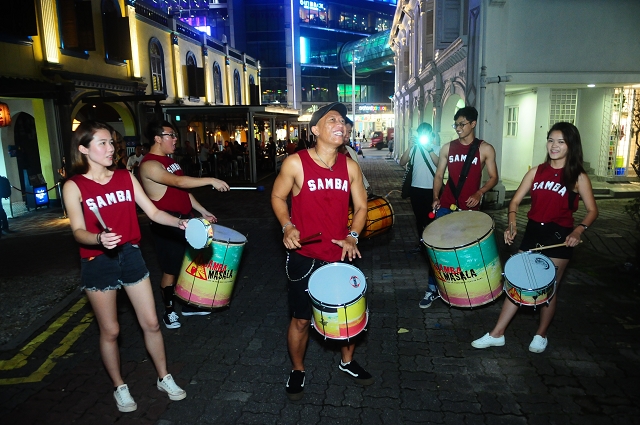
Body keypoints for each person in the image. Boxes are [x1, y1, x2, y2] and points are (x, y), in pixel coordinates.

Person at [62, 121, 188, 412]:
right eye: (103, 143)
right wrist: (98, 238)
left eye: (111, 142)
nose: (111, 148)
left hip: (130, 254)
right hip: (97, 261)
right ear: (84, 149)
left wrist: (182, 222)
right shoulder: (74, 185)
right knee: (111, 331)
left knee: (152, 323)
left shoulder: (125, 176)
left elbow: (154, 212)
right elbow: (78, 231)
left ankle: (164, 377)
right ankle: (120, 386)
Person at [271, 102, 374, 401]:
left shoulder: (350, 166)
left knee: (348, 314)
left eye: (342, 120)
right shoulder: (296, 163)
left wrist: (353, 236)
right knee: (301, 319)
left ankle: (347, 362)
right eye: (332, 120)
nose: (340, 124)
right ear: (315, 129)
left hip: (341, 255)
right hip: (305, 257)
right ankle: (298, 369)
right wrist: (287, 226)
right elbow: (278, 196)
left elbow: (362, 206)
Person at [471, 122, 598, 353]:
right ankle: (497, 334)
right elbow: (515, 201)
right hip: (533, 232)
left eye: (561, 141)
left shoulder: (578, 177)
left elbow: (592, 210)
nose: (554, 146)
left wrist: (579, 230)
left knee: (549, 288)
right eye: (551, 140)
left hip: (559, 235)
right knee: (517, 282)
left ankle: (541, 334)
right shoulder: (536, 171)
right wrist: (511, 223)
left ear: (571, 145)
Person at [139, 120, 230, 329]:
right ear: (157, 138)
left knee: (190, 264)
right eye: (170, 135)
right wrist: (210, 180)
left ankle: (189, 305)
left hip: (185, 218)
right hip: (165, 221)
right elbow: (179, 182)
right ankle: (169, 311)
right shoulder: (150, 164)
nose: (175, 139)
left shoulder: (171, 161)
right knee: (171, 269)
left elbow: (183, 192)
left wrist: (202, 210)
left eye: (174, 135)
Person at [399, 123, 440, 308]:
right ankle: (422, 244)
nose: (423, 136)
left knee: (431, 221)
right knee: (419, 220)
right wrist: (411, 145)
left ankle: (430, 244)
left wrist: (429, 148)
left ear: (430, 134)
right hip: (416, 190)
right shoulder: (415, 147)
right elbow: (402, 162)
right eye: (420, 134)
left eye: (425, 134)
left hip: (432, 190)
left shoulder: (436, 147)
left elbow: (440, 164)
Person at [432, 106, 499, 215]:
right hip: (446, 204)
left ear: (473, 124)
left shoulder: (485, 149)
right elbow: (439, 175)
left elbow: (494, 177)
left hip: (469, 206)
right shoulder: (447, 148)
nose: (458, 128)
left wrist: (479, 193)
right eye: (456, 125)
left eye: (462, 124)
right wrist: (435, 197)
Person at [338, 116, 370, 193]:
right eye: (343, 131)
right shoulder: (326, 154)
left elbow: (359, 174)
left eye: (349, 132)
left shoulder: (350, 151)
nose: (347, 136)